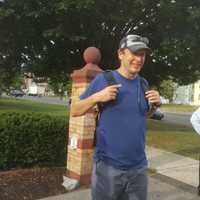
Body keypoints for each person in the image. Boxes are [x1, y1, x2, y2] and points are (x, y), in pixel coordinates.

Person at [71, 34, 161, 200]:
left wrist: (155, 106)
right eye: (134, 53)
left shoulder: (143, 84)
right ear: (121, 54)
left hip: (138, 167)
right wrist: (97, 97)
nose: (139, 59)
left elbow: (141, 116)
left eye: (142, 54)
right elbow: (75, 110)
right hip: (109, 167)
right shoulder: (104, 80)